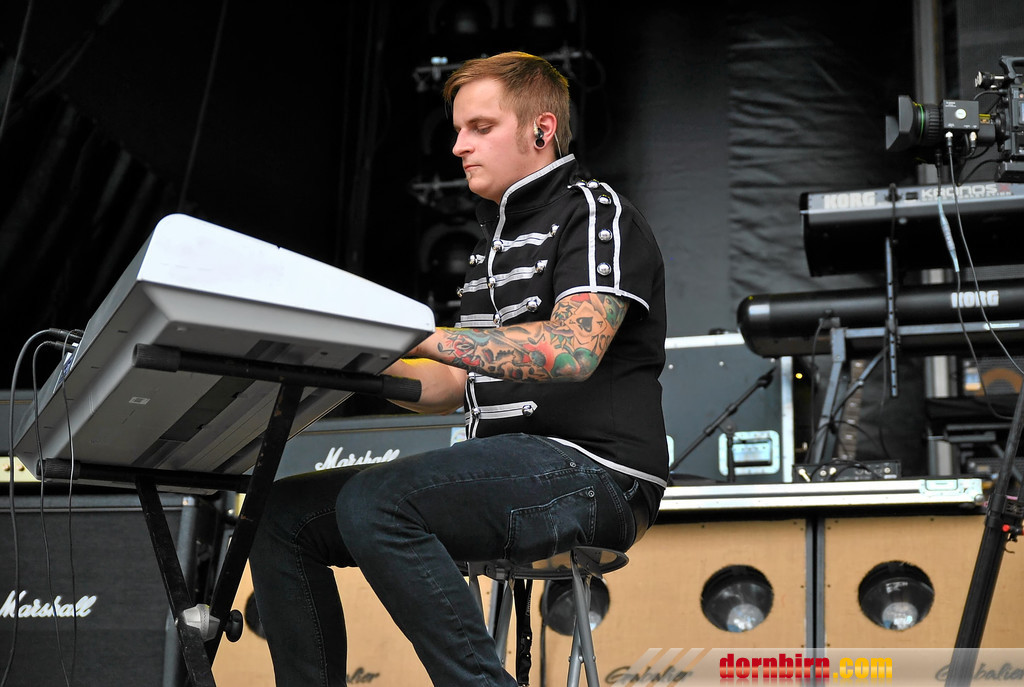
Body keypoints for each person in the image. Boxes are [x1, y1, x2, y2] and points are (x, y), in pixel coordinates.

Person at [249, 50, 668, 686]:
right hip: (509, 471)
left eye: (480, 127)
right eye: (457, 130)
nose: (458, 146)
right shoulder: (489, 242)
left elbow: (572, 348)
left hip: (599, 475)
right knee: (280, 514)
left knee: (378, 503)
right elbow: (451, 385)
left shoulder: (594, 210)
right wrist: (351, 365)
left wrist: (427, 336)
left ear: (542, 130)